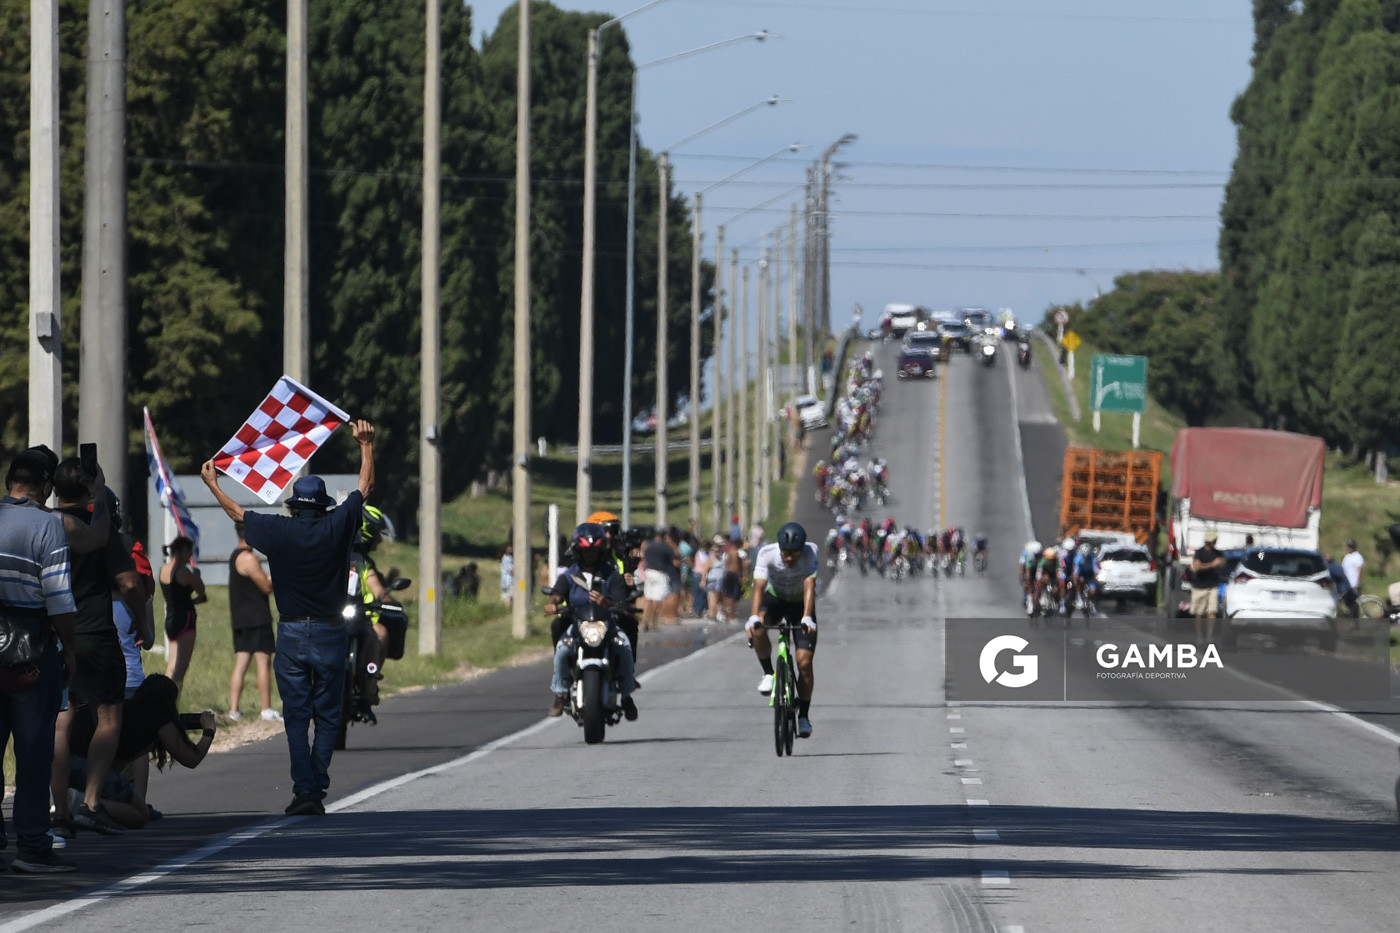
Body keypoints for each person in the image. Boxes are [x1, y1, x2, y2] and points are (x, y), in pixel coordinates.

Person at [200, 417, 375, 817]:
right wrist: (366, 445)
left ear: (295, 508)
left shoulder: (278, 531)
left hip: (292, 632)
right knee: (327, 715)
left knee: (296, 716)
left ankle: (304, 789)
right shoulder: (338, 524)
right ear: (324, 505)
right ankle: (317, 785)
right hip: (331, 630)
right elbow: (364, 488)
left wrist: (213, 484)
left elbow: (238, 515)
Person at [49, 460, 145, 838]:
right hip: (95, 633)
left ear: (54, 489)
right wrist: (142, 620)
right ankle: (90, 802)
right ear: (91, 486)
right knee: (108, 718)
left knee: (62, 720)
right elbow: (129, 582)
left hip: (56, 634)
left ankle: (59, 810)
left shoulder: (46, 524)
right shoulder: (100, 526)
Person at [0, 448, 78, 872]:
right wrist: (70, 653)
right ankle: (32, 846)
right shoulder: (49, 526)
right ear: (46, 486)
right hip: (31, 653)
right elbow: (59, 599)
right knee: (32, 754)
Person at [64, 674, 216, 830]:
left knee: (122, 798)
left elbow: (115, 765)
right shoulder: (158, 718)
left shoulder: (122, 711)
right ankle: (82, 803)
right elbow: (191, 759)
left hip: (62, 760)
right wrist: (208, 731)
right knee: (141, 815)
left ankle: (69, 804)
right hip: (83, 764)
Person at [543, 523, 636, 721]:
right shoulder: (569, 575)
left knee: (625, 647)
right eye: (586, 551)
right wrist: (552, 603)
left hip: (607, 625)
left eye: (594, 551)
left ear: (601, 551)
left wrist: (608, 603)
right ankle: (560, 694)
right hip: (577, 625)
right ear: (578, 552)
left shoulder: (612, 575)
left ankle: (627, 696)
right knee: (562, 649)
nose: (590, 555)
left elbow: (622, 601)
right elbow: (557, 594)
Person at [745, 522, 820, 738]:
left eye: (794, 554)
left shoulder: (810, 552)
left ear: (801, 549)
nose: (789, 558)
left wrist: (807, 616)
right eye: (785, 553)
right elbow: (759, 587)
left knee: (804, 662)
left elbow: (809, 585)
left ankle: (803, 716)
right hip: (775, 600)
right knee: (758, 626)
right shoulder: (767, 554)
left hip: (799, 605)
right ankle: (769, 673)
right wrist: (753, 616)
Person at [228, 522, 279, 722]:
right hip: (257, 618)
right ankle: (266, 708)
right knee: (263, 663)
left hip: (240, 618)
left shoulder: (234, 556)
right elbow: (265, 586)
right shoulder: (249, 558)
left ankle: (234, 710)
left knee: (241, 663)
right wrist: (275, 574)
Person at [160, 536, 206, 687]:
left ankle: (163, 696)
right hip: (185, 620)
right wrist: (197, 576)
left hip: (171, 619)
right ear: (180, 552)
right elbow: (200, 590)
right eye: (189, 552)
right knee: (180, 670)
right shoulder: (183, 572)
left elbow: (177, 597)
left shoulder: (163, 570)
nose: (190, 556)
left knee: (171, 665)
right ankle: (173, 698)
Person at [1190, 530, 1227, 642]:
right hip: (1200, 586)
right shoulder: (1200, 552)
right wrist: (1212, 564)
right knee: (1199, 613)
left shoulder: (1218, 553)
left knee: (1212, 611)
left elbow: (1221, 565)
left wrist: (1221, 563)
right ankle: (1199, 635)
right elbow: (1197, 567)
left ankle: (1209, 634)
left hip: (1213, 585)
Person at [642, 528, 678, 632]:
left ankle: (644, 621)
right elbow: (677, 555)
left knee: (648, 598)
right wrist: (671, 543)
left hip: (649, 572)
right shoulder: (664, 547)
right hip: (660, 573)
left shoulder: (649, 546)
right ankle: (652, 622)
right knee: (657, 599)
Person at [1341, 539, 1365, 620]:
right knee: (1347, 603)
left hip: (1354, 584)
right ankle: (1350, 618)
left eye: (1351, 546)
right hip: (1346, 584)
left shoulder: (1357, 556)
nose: (1350, 548)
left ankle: (1355, 620)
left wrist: (1358, 583)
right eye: (1349, 546)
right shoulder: (1347, 557)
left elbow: (1360, 570)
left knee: (1354, 604)